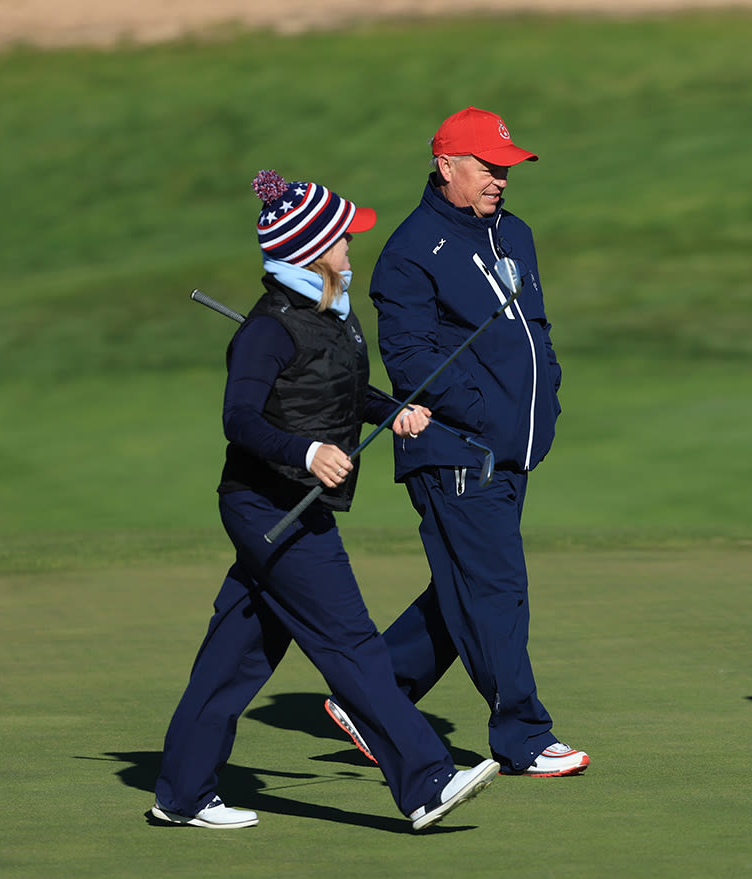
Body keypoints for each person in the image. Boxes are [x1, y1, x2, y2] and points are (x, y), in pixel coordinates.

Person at [149, 170, 499, 831]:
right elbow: (240, 420)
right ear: (310, 251)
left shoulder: (332, 316)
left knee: (238, 654)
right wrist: (305, 453)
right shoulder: (267, 332)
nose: (350, 247)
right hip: (268, 507)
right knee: (351, 642)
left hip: (293, 506)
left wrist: (391, 411)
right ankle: (426, 782)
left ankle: (181, 792)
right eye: (342, 238)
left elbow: (343, 392)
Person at [323, 107, 587, 778]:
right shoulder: (413, 250)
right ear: (447, 167)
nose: (500, 178)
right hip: (456, 450)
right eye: (487, 167)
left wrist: (545, 399)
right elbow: (409, 360)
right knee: (496, 588)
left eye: (506, 167)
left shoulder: (515, 235)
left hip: (512, 447)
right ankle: (523, 736)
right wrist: (484, 420)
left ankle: (373, 697)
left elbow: (538, 330)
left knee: (465, 586)